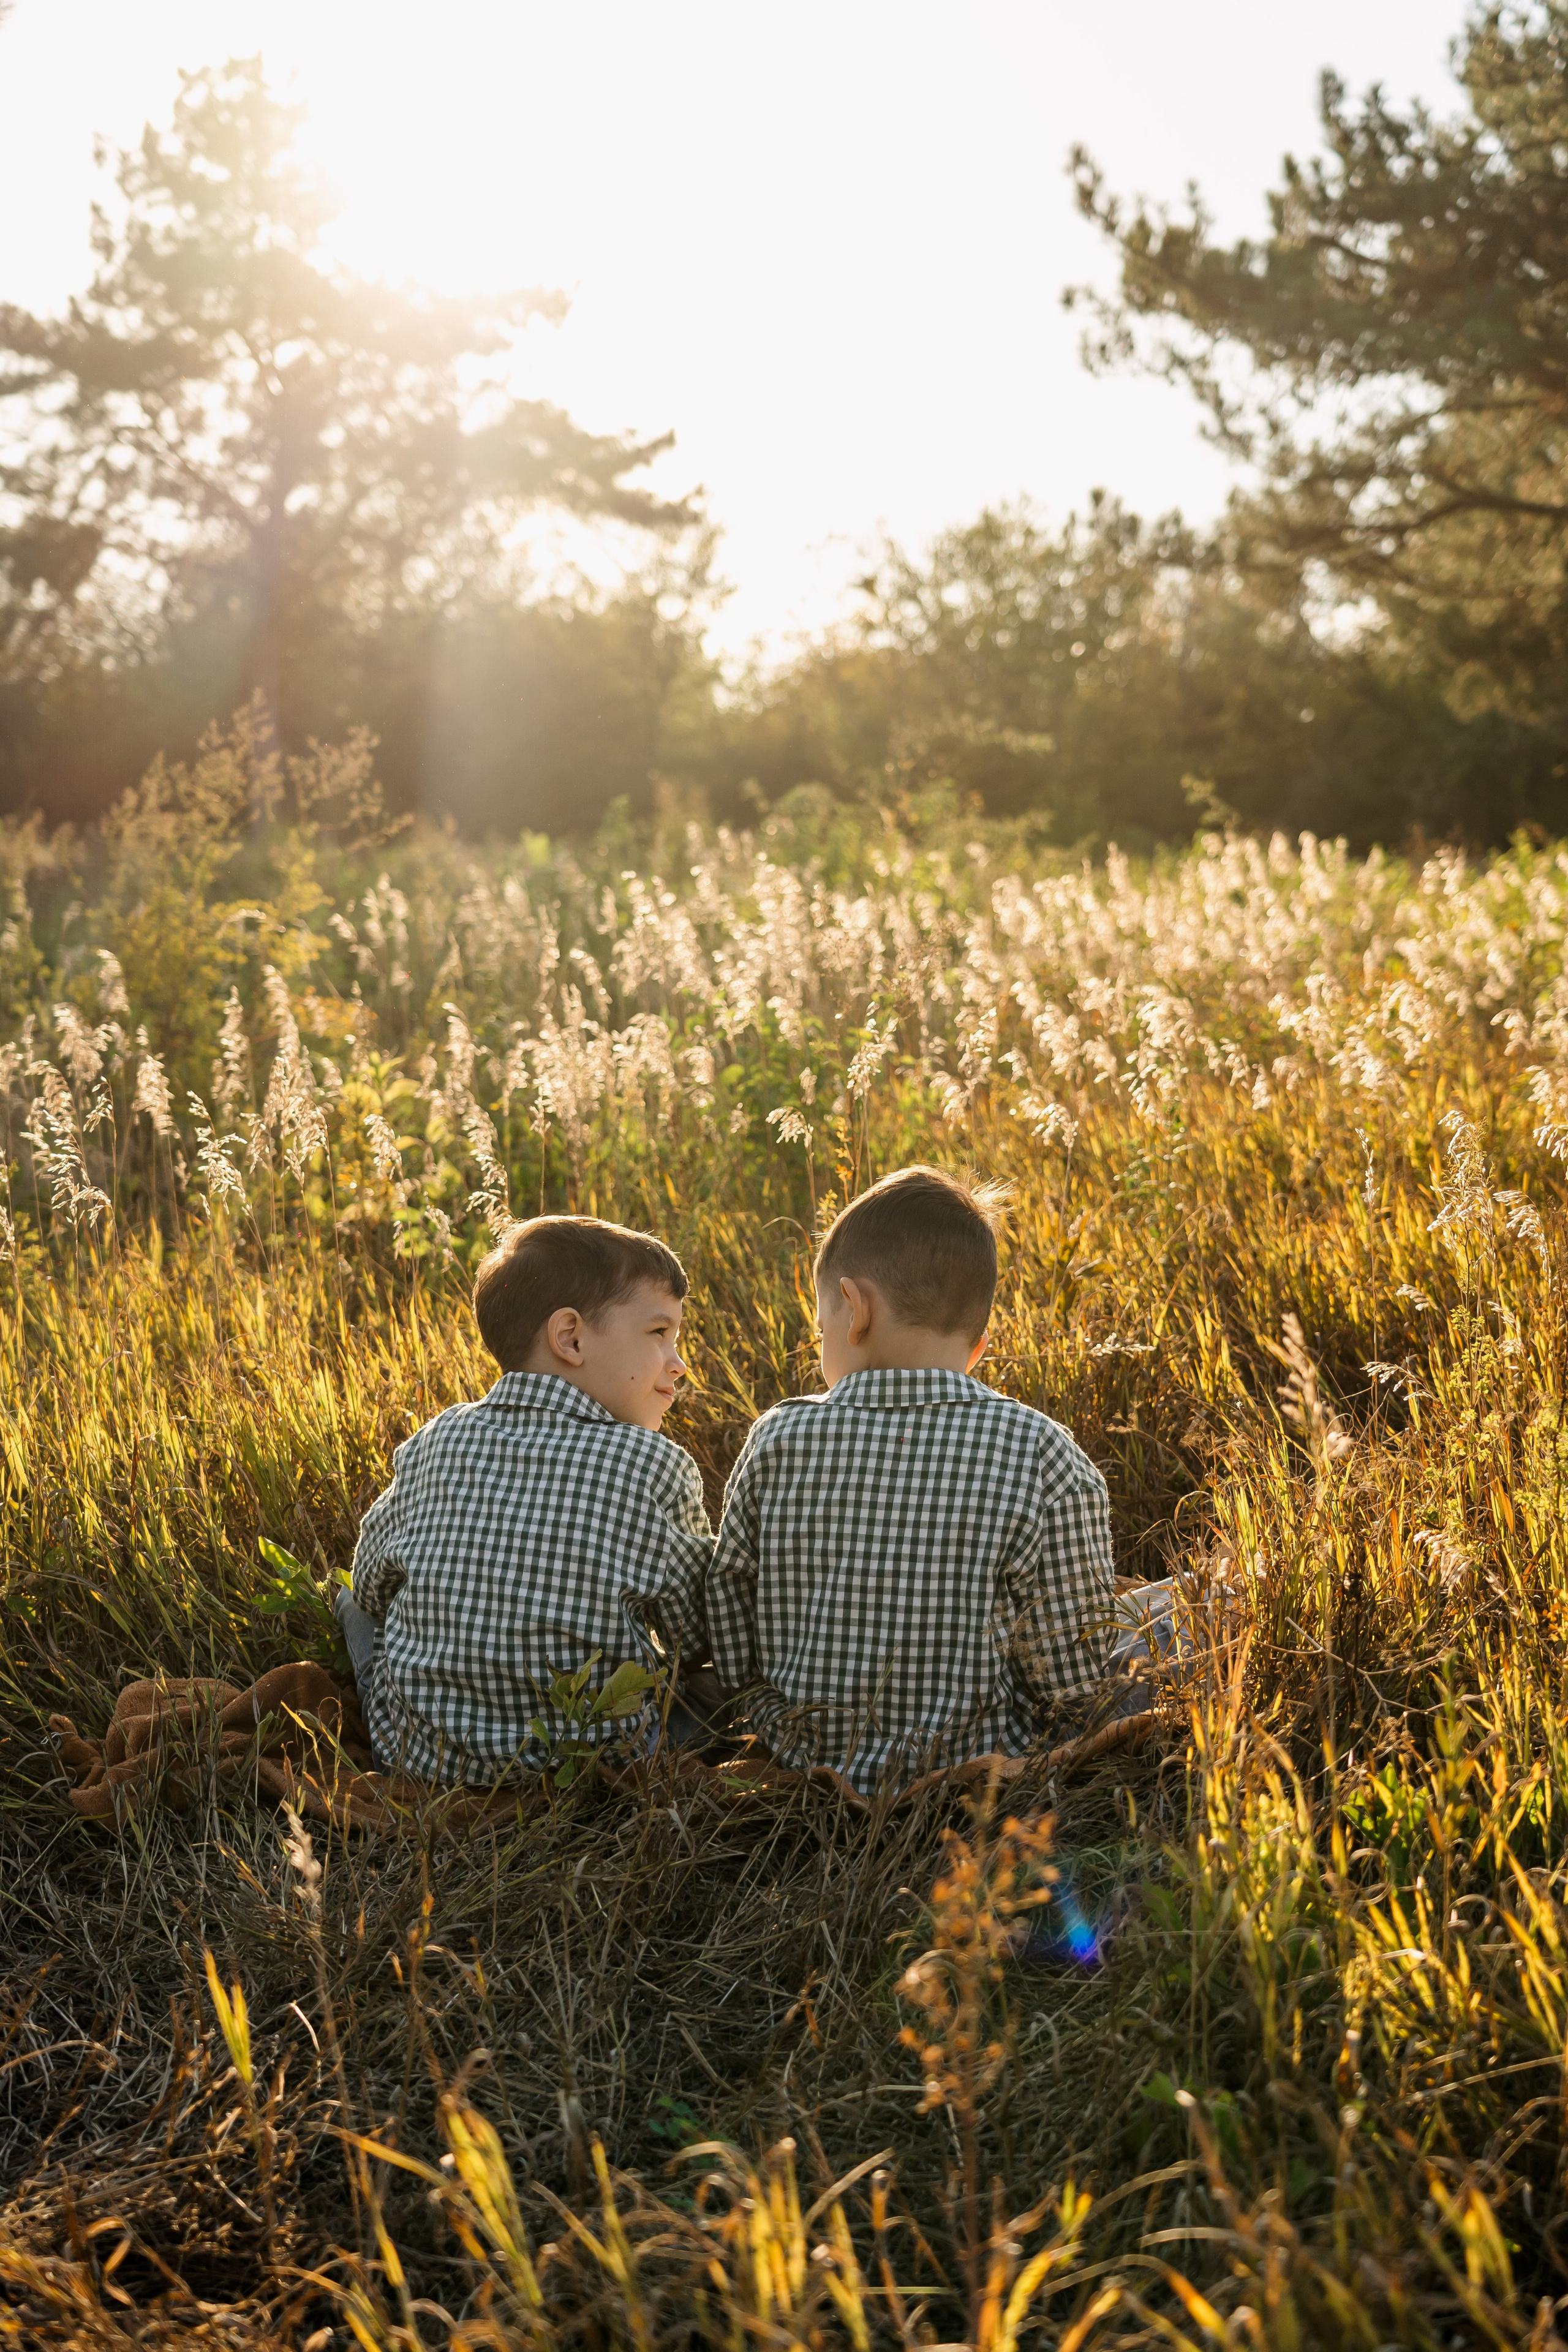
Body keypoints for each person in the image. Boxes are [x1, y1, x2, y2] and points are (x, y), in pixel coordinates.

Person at [706, 1164, 1162, 1793]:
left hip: (803, 1751)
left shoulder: (775, 1438)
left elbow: (730, 1602)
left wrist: (764, 1705)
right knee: (1172, 1612)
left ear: (855, 1309)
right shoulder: (1043, 1453)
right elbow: (1070, 1682)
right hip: (976, 1760)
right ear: (978, 1348)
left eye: (819, 1327)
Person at [340, 1215, 712, 1781]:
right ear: (570, 1338)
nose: (678, 1363)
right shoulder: (655, 1465)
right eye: (660, 1333)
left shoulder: (437, 1438)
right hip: (592, 1761)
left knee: (350, 1603)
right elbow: (695, 1633)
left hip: (420, 1759)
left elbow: (371, 1585)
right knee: (718, 1683)